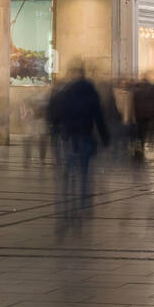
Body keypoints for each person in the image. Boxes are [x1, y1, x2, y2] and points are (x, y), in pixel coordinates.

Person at [48, 64, 110, 229]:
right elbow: (99, 116)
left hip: (69, 137)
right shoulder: (91, 92)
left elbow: (56, 114)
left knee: (68, 171)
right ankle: (83, 204)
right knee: (84, 171)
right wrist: (105, 138)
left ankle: (68, 204)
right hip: (85, 136)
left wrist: (55, 132)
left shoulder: (66, 92)